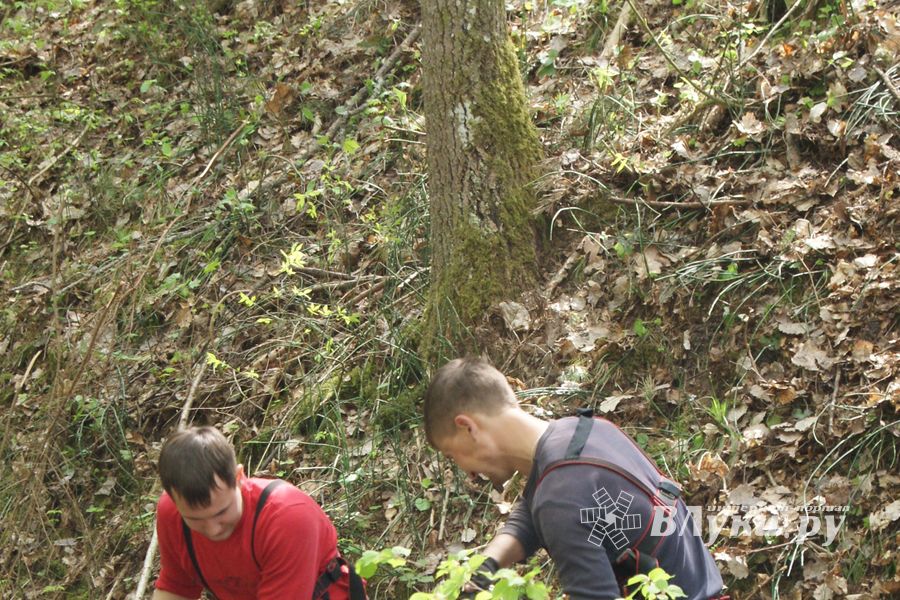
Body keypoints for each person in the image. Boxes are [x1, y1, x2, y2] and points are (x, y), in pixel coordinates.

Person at [424, 358, 727, 600]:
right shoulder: (581, 432)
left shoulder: (560, 496)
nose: (468, 472)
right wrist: (487, 565)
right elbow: (538, 506)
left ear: (468, 427)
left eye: (453, 455)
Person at [151, 426, 364, 600]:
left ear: (238, 477)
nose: (212, 529)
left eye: (221, 512)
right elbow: (176, 587)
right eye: (195, 519)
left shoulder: (287, 518)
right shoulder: (171, 514)